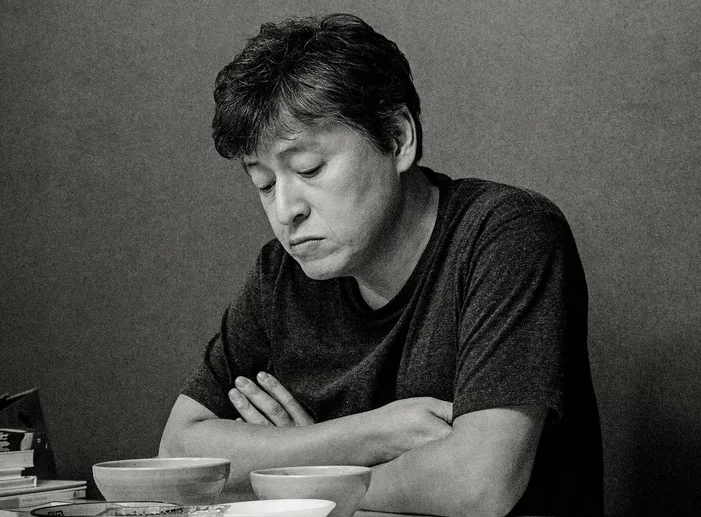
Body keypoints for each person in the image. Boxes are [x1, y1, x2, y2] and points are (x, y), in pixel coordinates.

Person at [159, 13, 604, 517]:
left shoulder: (507, 235)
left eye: (309, 168)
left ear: (396, 138)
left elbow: (477, 484)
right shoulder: (281, 273)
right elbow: (177, 456)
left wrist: (296, 475)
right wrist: (365, 435)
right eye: (264, 183)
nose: (285, 210)